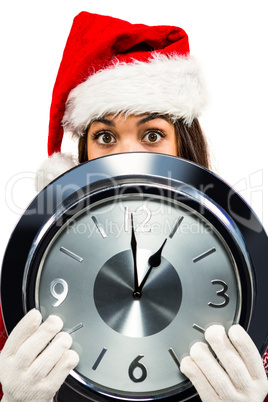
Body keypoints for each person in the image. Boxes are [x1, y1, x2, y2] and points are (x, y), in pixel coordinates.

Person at [0, 11, 267, 402]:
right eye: (106, 136)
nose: (128, 157)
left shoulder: (252, 287)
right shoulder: (27, 288)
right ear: (83, 154)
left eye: (152, 134)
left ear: (182, 147)